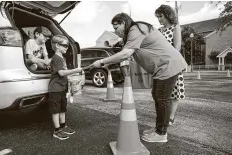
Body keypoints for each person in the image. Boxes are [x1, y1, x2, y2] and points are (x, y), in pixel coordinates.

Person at [91, 13, 187, 143]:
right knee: (158, 96)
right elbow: (125, 53)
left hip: (168, 65)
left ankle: (161, 134)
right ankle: (159, 129)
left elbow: (126, 53)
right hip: (161, 68)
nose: (115, 31)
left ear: (123, 23)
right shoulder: (133, 33)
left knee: (162, 98)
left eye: (116, 27)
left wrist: (102, 61)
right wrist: (107, 62)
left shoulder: (136, 29)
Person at [48, 34, 83, 140]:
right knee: (56, 110)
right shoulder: (57, 58)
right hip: (55, 89)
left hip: (62, 88)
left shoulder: (61, 58)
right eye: (64, 45)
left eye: (67, 46)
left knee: (63, 109)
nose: (67, 48)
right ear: (57, 45)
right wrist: (75, 70)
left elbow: (64, 73)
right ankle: (57, 130)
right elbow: (62, 72)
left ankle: (63, 126)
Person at [155, 4, 185, 125]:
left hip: (173, 64)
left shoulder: (175, 27)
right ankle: (163, 116)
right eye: (157, 17)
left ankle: (171, 117)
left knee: (174, 91)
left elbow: (177, 47)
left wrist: (166, 57)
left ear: (168, 15)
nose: (159, 19)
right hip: (160, 65)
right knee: (161, 93)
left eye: (161, 16)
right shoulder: (158, 31)